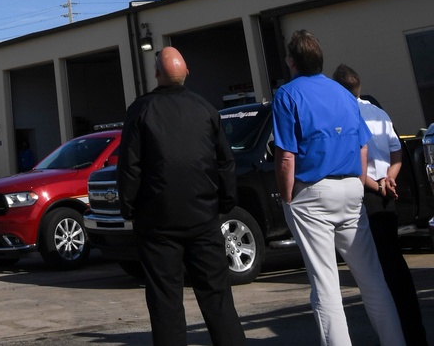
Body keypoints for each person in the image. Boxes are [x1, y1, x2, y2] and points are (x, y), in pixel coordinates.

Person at [272, 29, 406, 346]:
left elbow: (286, 158)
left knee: (326, 284)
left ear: (291, 61)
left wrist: (288, 199)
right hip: (351, 189)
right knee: (372, 279)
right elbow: (362, 148)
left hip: (313, 191)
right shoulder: (344, 94)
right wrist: (358, 184)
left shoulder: (288, 94)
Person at [117, 46, 246, 346]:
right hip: (202, 217)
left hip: (157, 221)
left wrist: (128, 207)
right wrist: (226, 201)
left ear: (156, 73)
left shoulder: (141, 110)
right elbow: (225, 161)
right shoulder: (205, 109)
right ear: (187, 72)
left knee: (166, 300)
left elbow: (130, 166)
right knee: (217, 297)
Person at [331, 64, 429, 346]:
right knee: (395, 262)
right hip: (389, 193)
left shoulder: (347, 115)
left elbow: (356, 166)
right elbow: (397, 153)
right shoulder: (380, 113)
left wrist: (377, 185)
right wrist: (389, 180)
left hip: (368, 195)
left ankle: (396, 334)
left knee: (378, 270)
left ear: (339, 90)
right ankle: (414, 330)